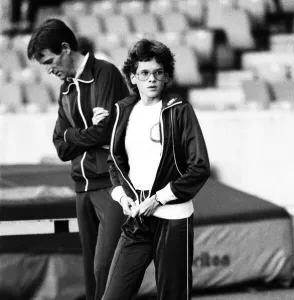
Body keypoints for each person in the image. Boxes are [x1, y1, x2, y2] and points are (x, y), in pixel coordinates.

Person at [27, 18, 129, 300]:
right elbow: (60, 147)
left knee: (105, 269)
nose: (49, 70)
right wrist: (79, 135)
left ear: (64, 48)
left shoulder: (104, 74)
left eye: (49, 61)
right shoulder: (66, 89)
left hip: (111, 185)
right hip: (82, 188)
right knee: (91, 275)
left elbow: (105, 131)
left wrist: (73, 135)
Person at [102, 39, 210, 300]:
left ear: (167, 77)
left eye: (158, 73)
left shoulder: (180, 112)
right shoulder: (123, 111)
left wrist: (159, 198)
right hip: (137, 217)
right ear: (133, 77)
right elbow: (115, 160)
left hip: (174, 219)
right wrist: (121, 196)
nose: (151, 79)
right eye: (144, 73)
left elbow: (200, 167)